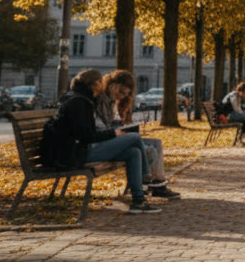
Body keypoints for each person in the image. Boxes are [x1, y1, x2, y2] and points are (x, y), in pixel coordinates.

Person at [51, 69, 162, 213]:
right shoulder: (80, 102)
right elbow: (86, 136)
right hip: (81, 153)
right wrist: (113, 133)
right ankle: (146, 177)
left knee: (134, 152)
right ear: (92, 85)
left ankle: (138, 200)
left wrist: (113, 132)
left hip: (87, 149)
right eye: (99, 82)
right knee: (134, 137)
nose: (102, 85)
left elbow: (89, 133)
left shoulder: (84, 100)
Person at [96, 70, 179, 199]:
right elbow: (102, 127)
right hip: (105, 141)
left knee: (156, 142)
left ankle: (159, 185)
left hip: (112, 137)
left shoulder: (112, 101)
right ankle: (149, 181)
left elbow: (111, 124)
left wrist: (123, 126)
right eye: (121, 92)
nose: (122, 97)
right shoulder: (101, 100)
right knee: (149, 150)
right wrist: (118, 129)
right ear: (113, 85)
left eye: (126, 94)